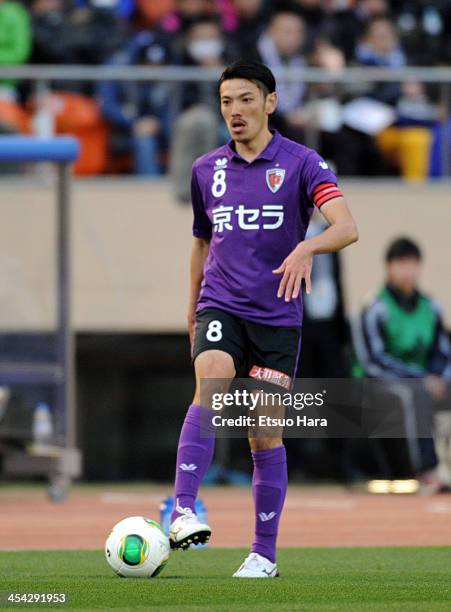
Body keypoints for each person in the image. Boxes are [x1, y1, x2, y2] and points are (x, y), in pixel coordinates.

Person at [168, 60, 358, 577]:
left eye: (246, 99)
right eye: (227, 101)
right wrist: (192, 304)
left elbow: (347, 226)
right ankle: (183, 508)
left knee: (263, 433)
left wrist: (307, 248)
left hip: (277, 317)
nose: (235, 111)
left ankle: (263, 555)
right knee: (211, 377)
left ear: (270, 102)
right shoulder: (206, 169)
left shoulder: (302, 163)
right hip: (221, 304)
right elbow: (202, 242)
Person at [352, 237, 451, 486]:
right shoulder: (374, 307)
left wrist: (438, 377)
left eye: (412, 264)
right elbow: (373, 360)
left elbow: (442, 351)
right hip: (378, 384)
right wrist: (421, 379)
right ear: (389, 267)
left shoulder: (432, 306)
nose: (407, 271)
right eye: (401, 264)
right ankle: (426, 470)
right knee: (414, 395)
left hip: (428, 380)